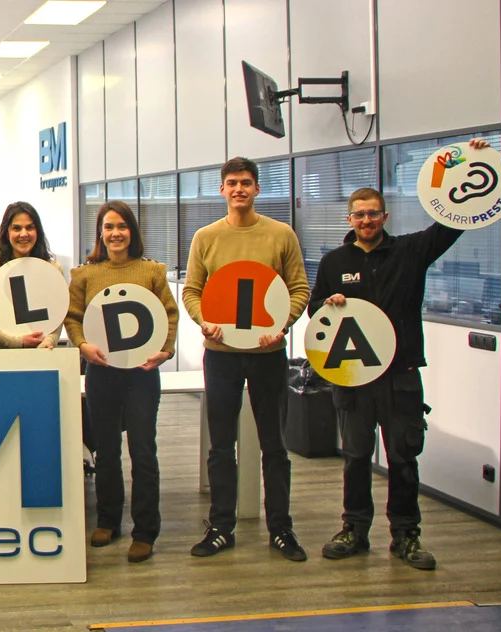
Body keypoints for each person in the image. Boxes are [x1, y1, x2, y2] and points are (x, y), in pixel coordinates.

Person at [308, 139, 489, 571]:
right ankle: (354, 530)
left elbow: (452, 224)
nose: (367, 220)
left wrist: (474, 162)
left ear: (384, 217)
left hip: (400, 375)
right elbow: (315, 311)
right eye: (359, 214)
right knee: (355, 458)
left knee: (403, 459)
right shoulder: (334, 261)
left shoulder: (410, 252)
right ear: (349, 219)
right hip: (353, 378)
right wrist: (328, 304)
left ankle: (406, 536)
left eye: (373, 213)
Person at [182, 157, 311, 562]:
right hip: (221, 355)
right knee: (221, 445)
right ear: (222, 189)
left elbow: (299, 289)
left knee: (275, 445)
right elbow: (192, 291)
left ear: (257, 188)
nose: (239, 189)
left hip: (268, 355)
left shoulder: (281, 234)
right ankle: (221, 527)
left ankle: (281, 529)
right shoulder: (206, 237)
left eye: (246, 182)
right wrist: (203, 321)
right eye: (232, 183)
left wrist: (283, 325)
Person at [63, 201, 176, 564]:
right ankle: (108, 520)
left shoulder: (152, 271)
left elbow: (169, 315)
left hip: (142, 374)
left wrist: (165, 350)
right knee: (106, 450)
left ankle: (145, 531)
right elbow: (72, 317)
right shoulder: (84, 275)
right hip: (102, 372)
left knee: (143, 450)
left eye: (122, 226)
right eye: (109, 227)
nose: (116, 233)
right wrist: (82, 345)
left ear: (132, 231)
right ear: (100, 233)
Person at [0, 201, 64, 349]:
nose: (24, 234)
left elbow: (59, 313)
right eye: (16, 228)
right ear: (7, 232)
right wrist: (17, 342)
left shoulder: (53, 269)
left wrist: (48, 342)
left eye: (30, 227)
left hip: (41, 354)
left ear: (37, 231)